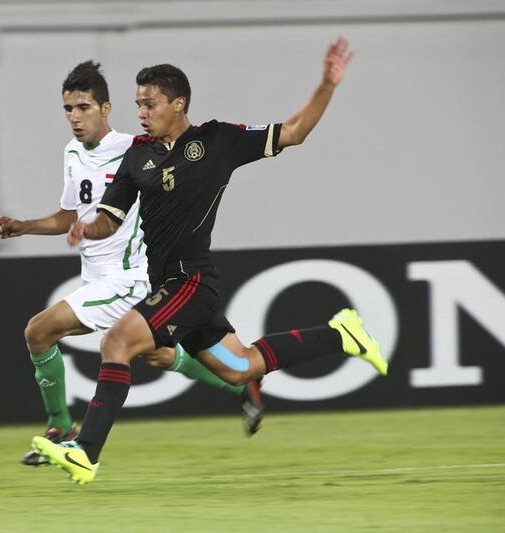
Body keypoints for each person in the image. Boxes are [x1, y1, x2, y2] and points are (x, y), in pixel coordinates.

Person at [32, 37, 388, 484]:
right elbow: (110, 219)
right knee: (241, 368)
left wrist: (327, 85)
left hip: (190, 281)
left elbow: (294, 132)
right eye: (138, 103)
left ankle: (86, 451)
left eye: (150, 103)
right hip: (165, 283)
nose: (141, 112)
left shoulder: (217, 141)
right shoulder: (137, 155)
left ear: (178, 104)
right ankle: (341, 335)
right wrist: (87, 228)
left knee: (117, 344)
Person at [0, 61, 263, 467]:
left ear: (106, 108)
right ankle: (241, 385)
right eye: (68, 109)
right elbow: (72, 214)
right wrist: (25, 226)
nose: (74, 117)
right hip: (97, 277)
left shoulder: (135, 149)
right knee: (158, 354)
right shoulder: (72, 153)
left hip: (133, 275)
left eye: (83, 107)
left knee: (39, 330)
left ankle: (60, 429)